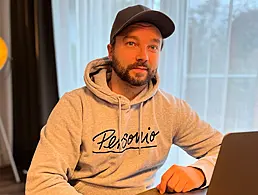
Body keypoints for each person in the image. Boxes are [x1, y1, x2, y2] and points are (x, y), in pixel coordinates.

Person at [26, 4, 223, 195]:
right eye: (131, 43)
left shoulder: (171, 109)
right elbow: (42, 180)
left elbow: (224, 150)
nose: (143, 56)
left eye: (153, 46)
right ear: (111, 51)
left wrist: (199, 172)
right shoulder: (75, 106)